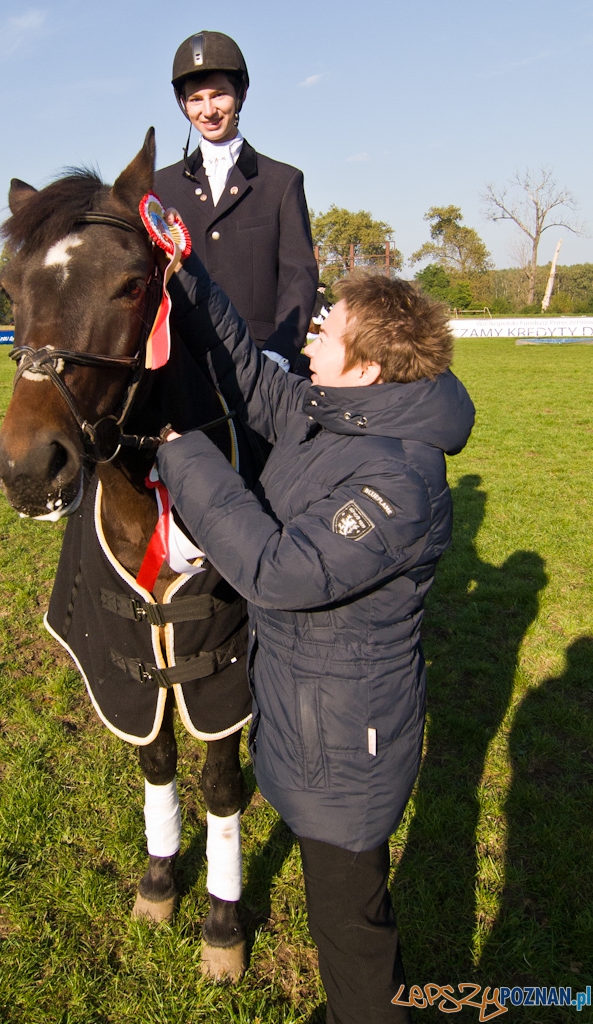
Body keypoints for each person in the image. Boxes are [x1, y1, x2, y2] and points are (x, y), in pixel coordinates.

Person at [154, 248, 475, 1022]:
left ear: (363, 369)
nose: (306, 342)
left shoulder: (394, 480)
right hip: (313, 723)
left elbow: (274, 570)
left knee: (350, 927)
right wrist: (183, 273)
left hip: (345, 748)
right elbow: (250, 370)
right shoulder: (338, 416)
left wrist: (179, 450)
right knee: (348, 919)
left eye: (323, 334)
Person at [154, 31, 317, 372]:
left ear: (240, 94)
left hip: (258, 362)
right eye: (196, 99)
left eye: (219, 95)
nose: (209, 110)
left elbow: (297, 278)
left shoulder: (282, 182)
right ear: (182, 103)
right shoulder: (160, 187)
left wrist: (278, 355)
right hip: (182, 366)